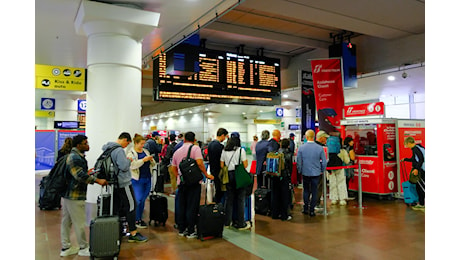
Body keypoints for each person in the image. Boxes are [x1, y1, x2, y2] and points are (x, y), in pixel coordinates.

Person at [60, 135, 108, 257]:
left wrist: (88, 173)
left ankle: (66, 247)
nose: (88, 145)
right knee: (79, 222)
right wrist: (98, 180)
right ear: (78, 145)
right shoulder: (75, 157)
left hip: (68, 194)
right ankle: (83, 247)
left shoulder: (75, 156)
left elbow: (76, 174)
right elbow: (79, 176)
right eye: (85, 143)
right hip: (75, 195)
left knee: (67, 221)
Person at [101, 132, 148, 243]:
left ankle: (118, 229)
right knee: (132, 205)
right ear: (124, 140)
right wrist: (129, 160)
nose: (126, 146)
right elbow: (124, 166)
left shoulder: (108, 148)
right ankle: (133, 233)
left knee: (117, 207)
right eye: (127, 143)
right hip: (123, 182)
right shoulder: (118, 150)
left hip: (115, 183)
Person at [170, 131, 214, 238]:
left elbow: (173, 168)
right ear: (194, 140)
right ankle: (190, 230)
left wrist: (179, 177)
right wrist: (206, 174)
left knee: (182, 205)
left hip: (182, 182)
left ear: (184, 139)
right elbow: (199, 163)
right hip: (193, 182)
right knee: (192, 205)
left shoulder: (177, 151)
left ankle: (181, 229)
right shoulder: (195, 149)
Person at [220, 132, 251, 230]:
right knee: (240, 199)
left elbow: (222, 165)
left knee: (229, 199)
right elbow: (245, 165)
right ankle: (241, 223)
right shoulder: (241, 151)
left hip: (228, 175)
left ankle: (227, 222)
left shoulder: (224, 150)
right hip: (238, 175)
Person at [127, 134, 156, 229]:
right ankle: (135, 219)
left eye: (144, 143)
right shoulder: (131, 153)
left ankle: (139, 218)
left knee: (143, 199)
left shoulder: (146, 151)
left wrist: (151, 160)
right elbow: (133, 165)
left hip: (147, 178)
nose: (142, 145)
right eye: (141, 144)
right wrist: (143, 160)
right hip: (137, 179)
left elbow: (153, 163)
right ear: (135, 143)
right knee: (138, 200)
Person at [297, 130, 327, 217]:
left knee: (306, 190)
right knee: (315, 191)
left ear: (306, 137)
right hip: (316, 173)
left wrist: (300, 170)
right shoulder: (319, 148)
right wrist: (321, 170)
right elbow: (324, 162)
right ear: (314, 137)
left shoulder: (301, 148)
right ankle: (312, 210)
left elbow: (299, 162)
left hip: (305, 172)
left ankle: (306, 208)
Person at [271, 138, 293, 221]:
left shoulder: (275, 153)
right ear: (288, 145)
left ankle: (275, 214)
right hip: (284, 177)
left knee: (275, 195)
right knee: (284, 196)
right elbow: (290, 168)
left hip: (275, 176)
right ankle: (284, 215)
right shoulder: (288, 154)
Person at [403, 137, 425, 211]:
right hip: (421, 170)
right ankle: (421, 204)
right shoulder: (418, 147)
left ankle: (423, 204)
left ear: (409, 143)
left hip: (421, 170)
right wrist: (405, 159)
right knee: (419, 187)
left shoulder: (416, 149)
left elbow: (421, 159)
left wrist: (416, 169)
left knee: (422, 187)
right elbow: (414, 159)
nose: (406, 146)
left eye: (406, 145)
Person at [207, 128, 229, 203]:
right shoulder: (220, 147)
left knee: (216, 187)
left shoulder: (210, 144)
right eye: (225, 137)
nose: (225, 139)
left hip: (212, 169)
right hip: (219, 170)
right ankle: (218, 204)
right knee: (220, 189)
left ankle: (215, 202)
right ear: (222, 135)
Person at [314, 130, 329, 210]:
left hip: (310, 170)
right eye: (325, 138)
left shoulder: (312, 145)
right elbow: (324, 160)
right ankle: (316, 203)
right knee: (318, 186)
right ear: (321, 138)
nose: (326, 140)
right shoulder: (321, 148)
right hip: (319, 170)